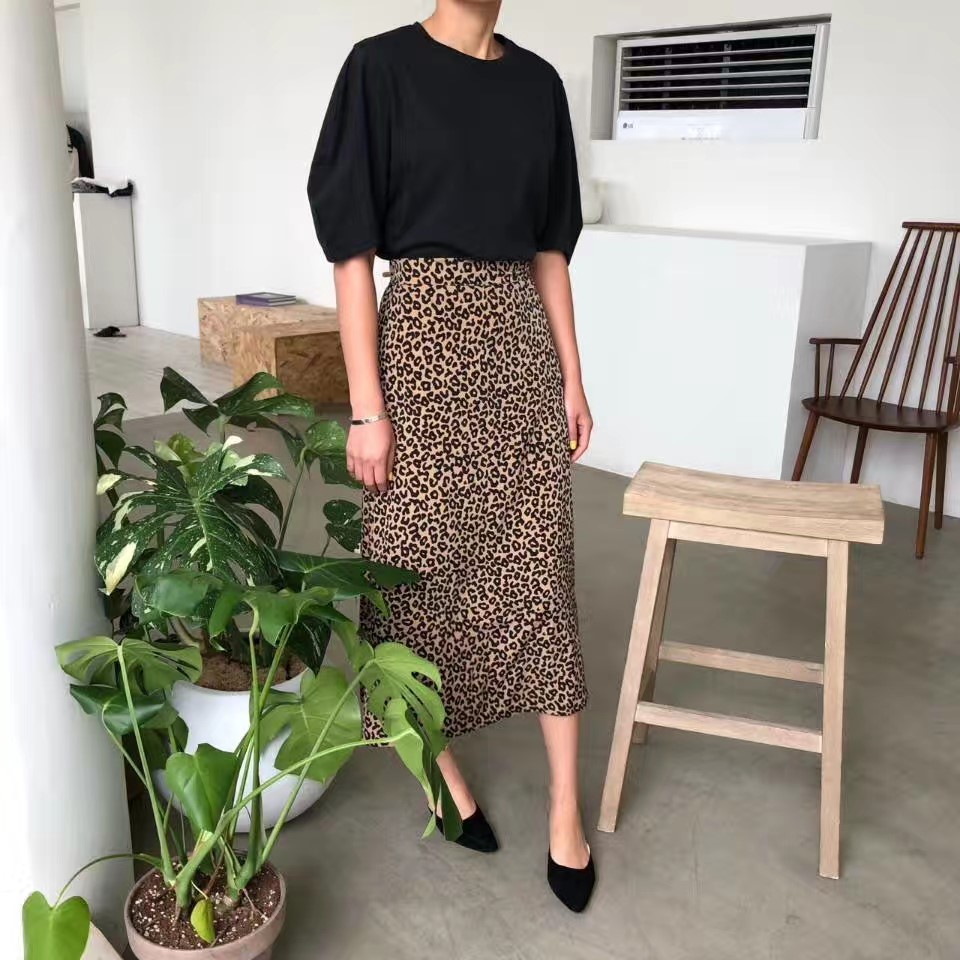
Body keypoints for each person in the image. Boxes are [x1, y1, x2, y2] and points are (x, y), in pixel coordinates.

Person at [307, 0, 595, 912]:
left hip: (519, 352)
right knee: (412, 574)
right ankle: (441, 772)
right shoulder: (379, 68)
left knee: (539, 574)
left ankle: (566, 810)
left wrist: (572, 378)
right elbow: (352, 256)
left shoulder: (538, 85)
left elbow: (550, 251)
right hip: (420, 353)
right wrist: (367, 409)